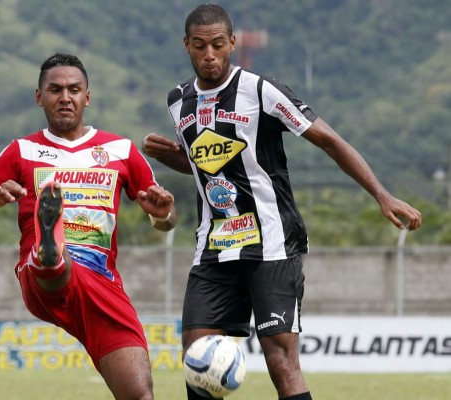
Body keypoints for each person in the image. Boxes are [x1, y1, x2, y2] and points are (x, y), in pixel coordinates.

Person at [142, 4, 422, 400]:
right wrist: (171, 156)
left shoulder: (261, 90)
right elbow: (212, 165)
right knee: (196, 358)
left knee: (280, 360)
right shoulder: (178, 100)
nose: (210, 55)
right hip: (214, 248)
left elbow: (329, 140)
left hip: (272, 244)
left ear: (233, 44)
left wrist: (381, 194)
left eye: (218, 45)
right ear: (186, 45)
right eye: (200, 46)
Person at [0, 53, 177, 400]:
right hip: (44, 280)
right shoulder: (21, 150)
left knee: (139, 394)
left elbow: (166, 222)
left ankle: (53, 249)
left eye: (74, 89)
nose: (65, 97)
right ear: (39, 96)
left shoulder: (120, 150)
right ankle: (51, 249)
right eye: (55, 89)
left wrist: (163, 214)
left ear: (87, 96)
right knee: (55, 262)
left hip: (101, 284)